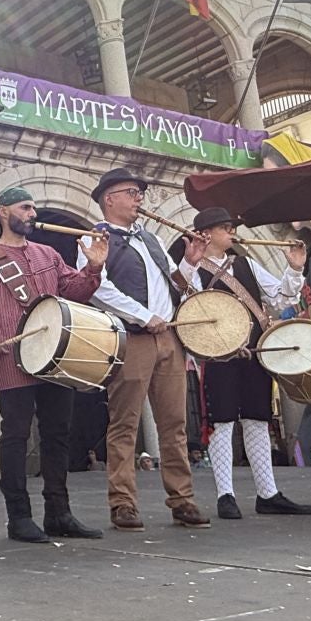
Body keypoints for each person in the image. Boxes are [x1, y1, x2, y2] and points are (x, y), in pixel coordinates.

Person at [0, 187, 108, 542]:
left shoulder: (48, 254)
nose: (31, 213)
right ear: (2, 211)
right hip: (11, 357)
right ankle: (19, 517)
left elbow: (75, 291)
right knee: (16, 435)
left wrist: (94, 266)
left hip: (55, 355)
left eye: (33, 208)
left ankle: (59, 513)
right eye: (25, 207)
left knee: (58, 435)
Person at [165, 207, 311, 520]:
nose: (231, 232)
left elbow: (280, 299)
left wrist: (295, 270)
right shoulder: (190, 265)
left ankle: (268, 492)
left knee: (257, 418)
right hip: (217, 355)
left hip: (253, 351)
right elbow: (179, 301)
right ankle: (225, 495)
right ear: (205, 234)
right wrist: (190, 263)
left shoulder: (245, 263)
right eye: (224, 228)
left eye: (230, 227)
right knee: (221, 422)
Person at [90, 170, 207, 529]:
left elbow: (177, 284)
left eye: (140, 192)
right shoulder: (93, 239)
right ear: (109, 199)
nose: (139, 197)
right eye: (132, 192)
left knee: (174, 423)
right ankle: (122, 502)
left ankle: (182, 499)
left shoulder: (152, 239)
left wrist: (191, 261)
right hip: (132, 337)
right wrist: (144, 316)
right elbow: (98, 289)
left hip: (168, 338)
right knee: (124, 422)